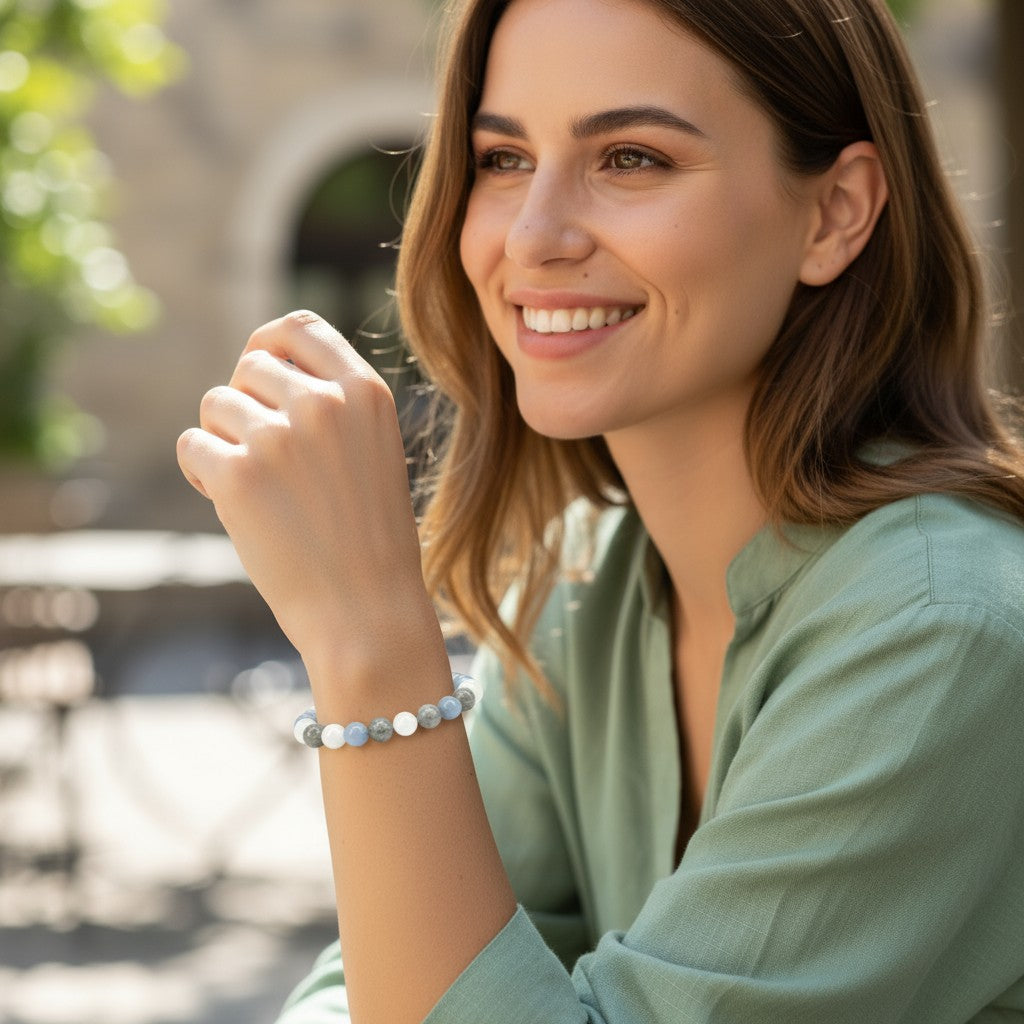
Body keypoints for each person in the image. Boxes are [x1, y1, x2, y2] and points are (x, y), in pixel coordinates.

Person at [177, 0, 1024, 1020]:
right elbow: (373, 978)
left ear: (834, 212)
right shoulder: (585, 583)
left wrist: (368, 643)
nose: (534, 236)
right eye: (501, 160)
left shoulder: (939, 629)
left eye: (631, 158)